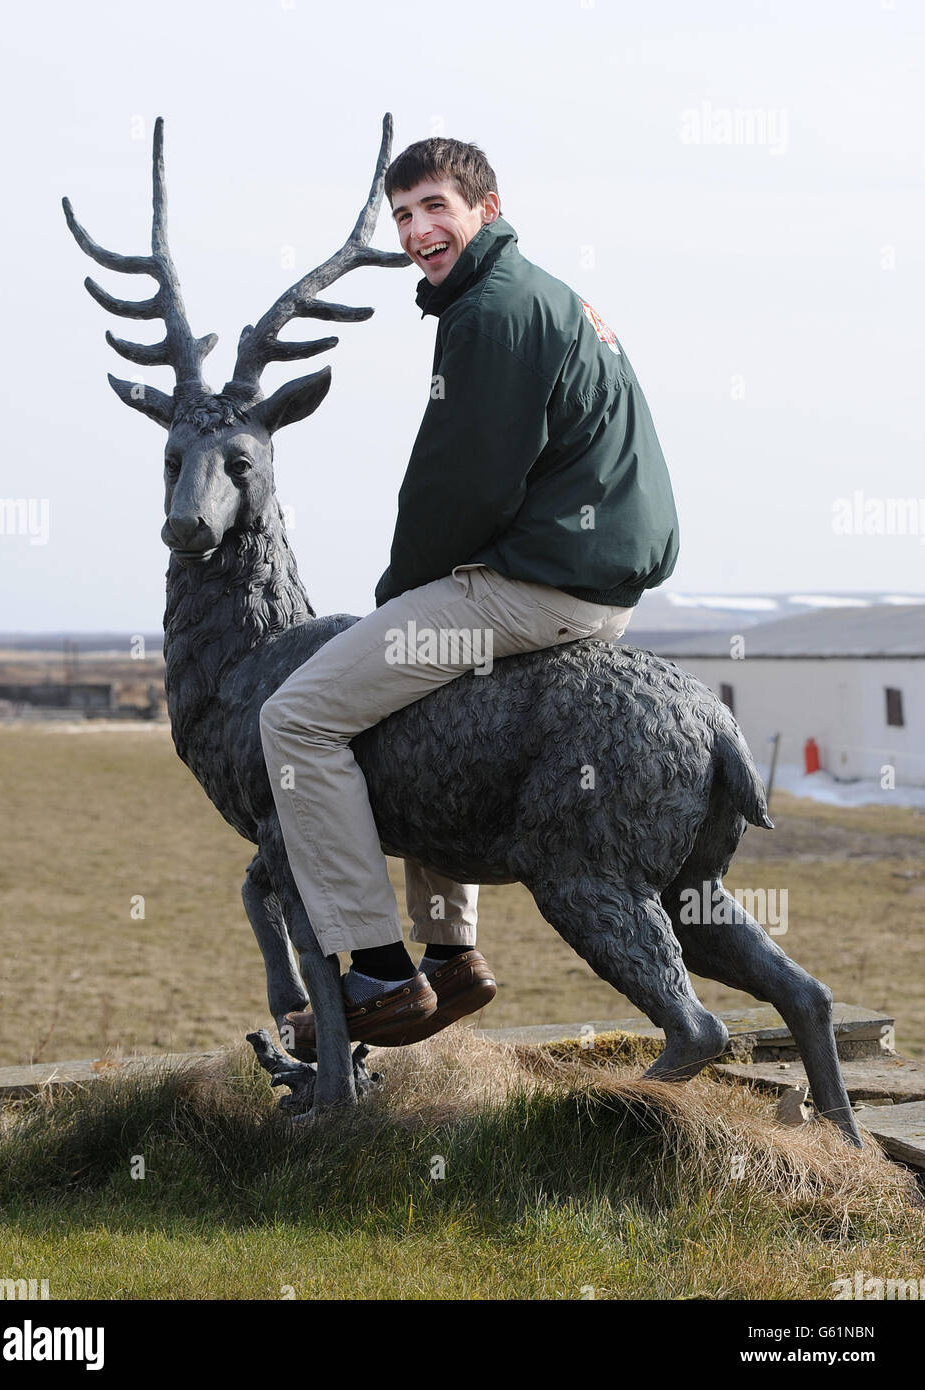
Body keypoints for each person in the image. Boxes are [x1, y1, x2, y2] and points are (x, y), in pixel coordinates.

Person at [260, 136, 679, 1049]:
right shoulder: (551, 296)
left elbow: (459, 487)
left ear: (486, 207)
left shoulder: (490, 312)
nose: (416, 230)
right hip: (597, 586)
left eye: (433, 208)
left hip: (539, 588)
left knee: (299, 718)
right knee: (414, 698)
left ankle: (377, 970)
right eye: (403, 214)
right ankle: (451, 956)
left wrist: (394, 595)